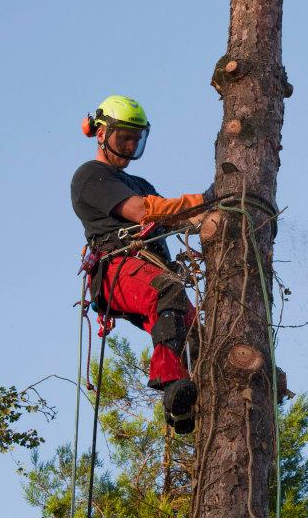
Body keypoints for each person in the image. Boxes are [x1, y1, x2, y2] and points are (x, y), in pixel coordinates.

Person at [70, 94, 212, 434]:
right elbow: (143, 211)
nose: (130, 146)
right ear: (101, 134)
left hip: (150, 272)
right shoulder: (91, 176)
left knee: (201, 341)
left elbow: (174, 217)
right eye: (124, 138)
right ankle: (170, 380)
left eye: (136, 139)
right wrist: (202, 200)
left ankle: (186, 408)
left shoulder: (140, 184)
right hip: (117, 268)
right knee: (167, 291)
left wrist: (213, 209)